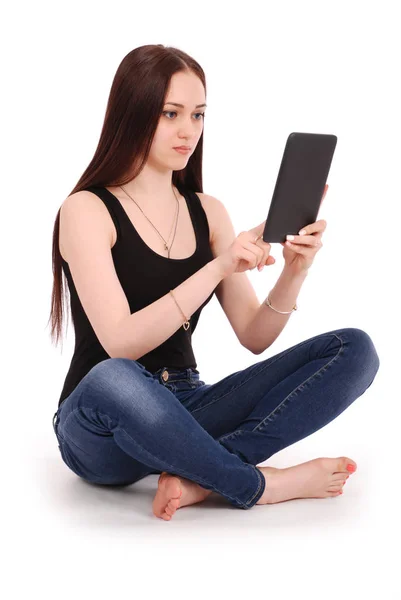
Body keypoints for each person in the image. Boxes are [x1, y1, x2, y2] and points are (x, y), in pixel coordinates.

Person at [48, 44, 380, 521]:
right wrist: (219, 266)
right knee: (112, 378)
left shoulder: (208, 211)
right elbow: (120, 343)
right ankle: (261, 484)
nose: (189, 131)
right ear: (134, 112)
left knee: (355, 349)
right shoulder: (86, 209)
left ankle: (200, 476)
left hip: (185, 406)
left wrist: (294, 269)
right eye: (171, 113)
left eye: (199, 115)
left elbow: (255, 336)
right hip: (101, 422)